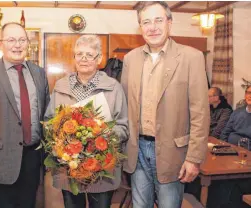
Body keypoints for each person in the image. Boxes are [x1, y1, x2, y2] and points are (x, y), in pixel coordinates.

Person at [120, 2, 209, 207]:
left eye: (158, 20)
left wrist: (194, 158)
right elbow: (125, 107)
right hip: (137, 150)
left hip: (173, 153)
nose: (152, 27)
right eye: (146, 22)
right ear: (140, 27)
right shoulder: (130, 59)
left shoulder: (191, 58)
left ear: (170, 23)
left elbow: (200, 114)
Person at [0, 22, 50, 208]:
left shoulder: (38, 73)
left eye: (22, 40)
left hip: (33, 158)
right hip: (0, 162)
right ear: (0, 44)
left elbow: (46, 117)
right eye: (11, 40)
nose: (17, 45)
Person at [44, 35, 129, 208]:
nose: (84, 59)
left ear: (99, 59)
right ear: (74, 58)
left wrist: (100, 136)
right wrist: (60, 142)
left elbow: (123, 127)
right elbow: (48, 123)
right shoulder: (60, 87)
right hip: (69, 169)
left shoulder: (114, 88)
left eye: (89, 55)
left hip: (102, 171)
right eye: (79, 54)